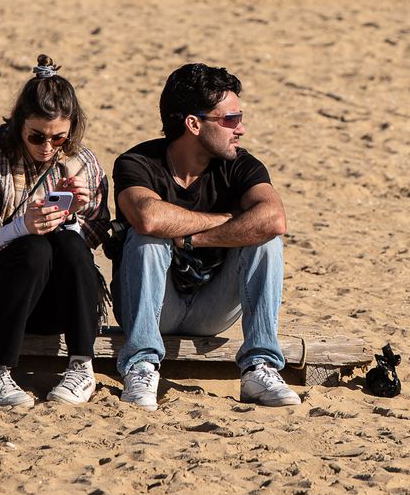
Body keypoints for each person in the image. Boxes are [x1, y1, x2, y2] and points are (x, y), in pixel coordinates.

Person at [112, 62, 300, 409]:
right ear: (194, 124)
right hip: (153, 305)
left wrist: (192, 238)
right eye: (230, 119)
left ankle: (259, 367)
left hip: (213, 307)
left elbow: (273, 219)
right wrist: (229, 220)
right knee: (147, 239)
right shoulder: (137, 162)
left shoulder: (240, 164)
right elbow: (149, 218)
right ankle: (141, 365)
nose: (241, 128)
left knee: (266, 241)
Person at [0, 55, 110, 407]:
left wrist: (72, 217)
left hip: (52, 304)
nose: (47, 147)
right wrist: (22, 227)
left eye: (59, 138)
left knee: (69, 243)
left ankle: (81, 367)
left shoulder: (82, 162)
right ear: (18, 123)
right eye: (37, 136)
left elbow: (87, 251)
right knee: (34, 248)